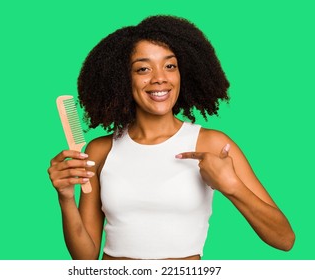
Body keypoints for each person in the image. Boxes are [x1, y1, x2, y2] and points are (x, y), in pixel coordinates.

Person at [47, 15, 295, 260]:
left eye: (170, 66)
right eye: (143, 68)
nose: (159, 78)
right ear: (123, 79)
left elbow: (284, 239)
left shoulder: (212, 144)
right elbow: (85, 259)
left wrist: (233, 187)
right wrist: (66, 198)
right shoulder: (100, 150)